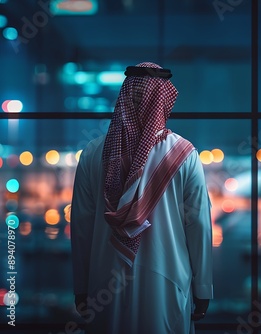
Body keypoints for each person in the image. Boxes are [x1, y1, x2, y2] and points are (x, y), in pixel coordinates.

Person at [70, 62, 213, 334]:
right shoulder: (185, 154)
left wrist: (81, 286)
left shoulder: (92, 152)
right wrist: (203, 286)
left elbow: (81, 226)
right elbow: (199, 226)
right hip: (168, 281)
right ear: (163, 101)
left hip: (103, 282)